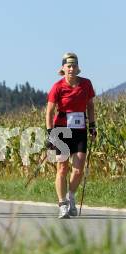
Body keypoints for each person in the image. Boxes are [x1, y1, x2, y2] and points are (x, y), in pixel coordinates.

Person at [46, 52, 97, 219]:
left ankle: (71, 196)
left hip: (80, 129)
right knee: (62, 168)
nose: (71, 68)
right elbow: (49, 111)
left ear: (77, 68)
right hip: (62, 130)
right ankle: (62, 204)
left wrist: (92, 125)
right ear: (63, 68)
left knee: (79, 168)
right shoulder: (58, 87)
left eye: (74, 65)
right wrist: (50, 133)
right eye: (68, 66)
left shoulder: (86, 84)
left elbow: (90, 106)